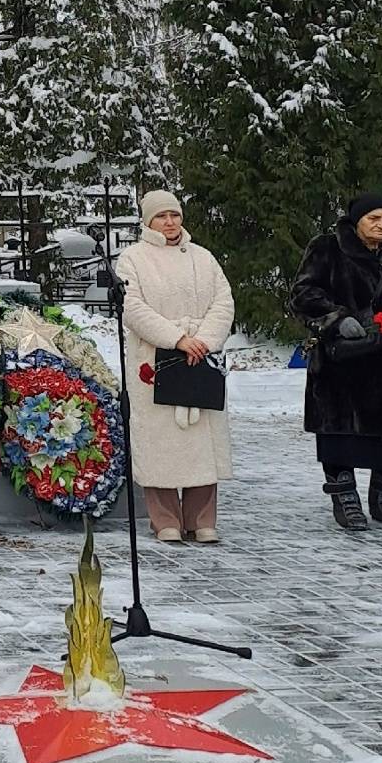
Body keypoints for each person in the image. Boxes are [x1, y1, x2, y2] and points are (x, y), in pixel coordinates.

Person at [115, 190, 234, 543]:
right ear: (148, 221)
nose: (169, 222)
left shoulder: (203, 258)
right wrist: (177, 338)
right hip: (157, 357)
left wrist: (205, 340)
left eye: (174, 215)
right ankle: (165, 518)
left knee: (202, 441)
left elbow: (223, 302)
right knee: (160, 440)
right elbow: (133, 308)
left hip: (201, 353)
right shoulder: (133, 258)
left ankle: (202, 519)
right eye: (161, 216)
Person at [291, 191, 382, 532]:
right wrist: (336, 318)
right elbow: (302, 294)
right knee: (339, 431)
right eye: (374, 218)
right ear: (356, 220)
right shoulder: (327, 247)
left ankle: (381, 493)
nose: (381, 225)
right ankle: (344, 493)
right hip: (340, 361)